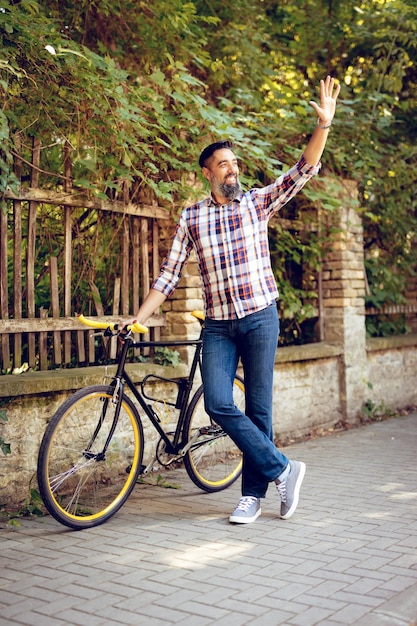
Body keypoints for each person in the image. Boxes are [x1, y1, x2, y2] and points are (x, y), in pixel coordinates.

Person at [128, 76, 340, 524]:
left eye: (234, 162)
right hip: (220, 325)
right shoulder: (192, 216)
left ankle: (252, 496)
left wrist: (322, 126)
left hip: (261, 317)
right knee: (218, 403)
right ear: (207, 172)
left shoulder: (256, 204)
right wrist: (136, 318)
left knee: (259, 409)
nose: (232, 169)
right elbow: (167, 277)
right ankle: (285, 469)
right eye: (223, 164)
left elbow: (302, 170)